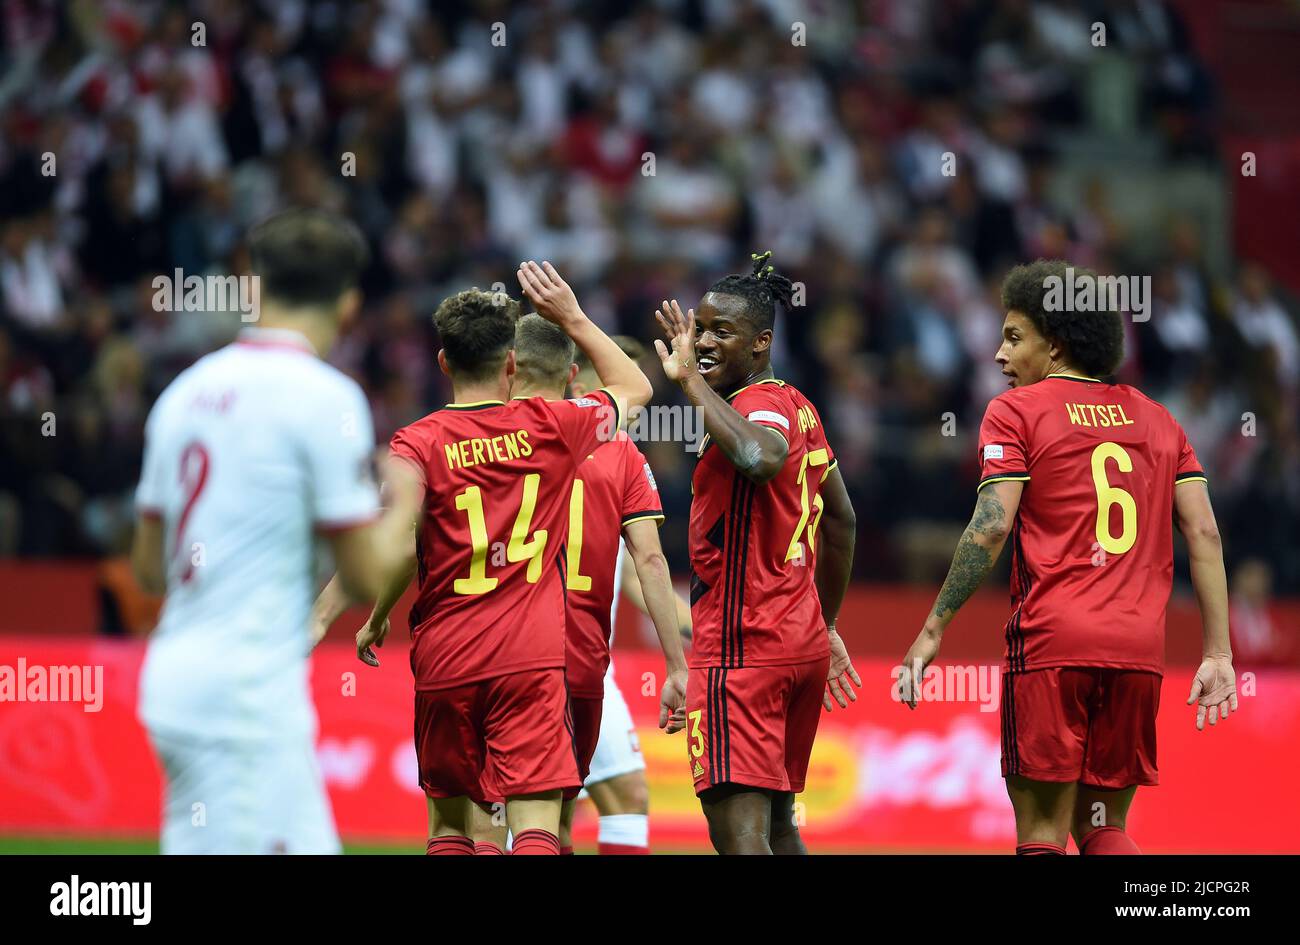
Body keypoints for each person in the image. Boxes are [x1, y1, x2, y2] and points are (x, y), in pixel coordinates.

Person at [899, 259, 1238, 855]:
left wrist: (932, 631)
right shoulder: (1160, 420)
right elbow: (1205, 534)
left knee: (1042, 835)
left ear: (1054, 345)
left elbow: (990, 526)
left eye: (1013, 338)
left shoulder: (1016, 412)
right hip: (1136, 654)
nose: (999, 356)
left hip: (1053, 647)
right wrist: (1218, 652)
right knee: (1104, 826)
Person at [316, 261, 652, 855]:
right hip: (529, 659)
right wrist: (572, 316)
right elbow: (635, 389)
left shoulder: (415, 444)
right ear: (513, 363)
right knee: (538, 823)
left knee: (450, 826)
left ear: (443, 362)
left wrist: (347, 616)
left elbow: (395, 543)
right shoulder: (555, 426)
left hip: (446, 660)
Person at [131, 208, 419, 854]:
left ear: (253, 285)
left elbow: (148, 568)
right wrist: (403, 496)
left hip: (177, 681)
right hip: (244, 699)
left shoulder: (183, 391)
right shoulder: (324, 397)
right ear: (349, 304)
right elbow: (371, 573)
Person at [653, 251, 860, 854]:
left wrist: (688, 379)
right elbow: (842, 521)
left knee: (741, 842)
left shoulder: (756, 409)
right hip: (796, 648)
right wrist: (827, 624)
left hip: (743, 650)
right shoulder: (799, 406)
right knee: (777, 826)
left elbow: (760, 458)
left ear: (762, 341)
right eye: (701, 329)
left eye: (724, 332)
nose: (705, 344)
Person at [466, 318, 688, 855]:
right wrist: (679, 662)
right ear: (578, 380)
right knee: (559, 809)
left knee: (493, 813)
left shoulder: (479, 441)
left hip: (488, 651)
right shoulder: (614, 453)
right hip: (576, 658)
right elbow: (648, 564)